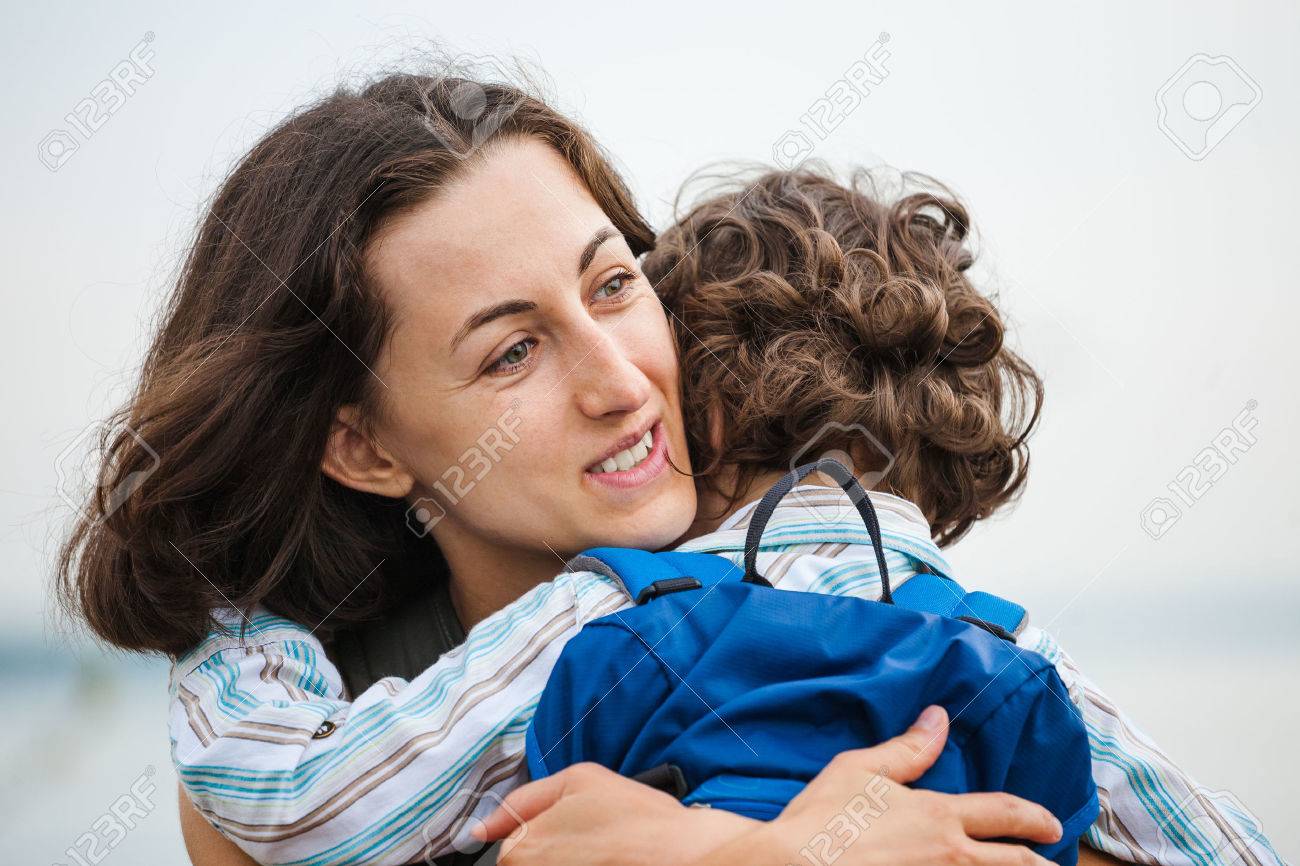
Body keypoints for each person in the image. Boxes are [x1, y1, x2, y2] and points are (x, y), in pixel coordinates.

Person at [57, 67, 1277, 866]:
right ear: (364, 444)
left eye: (611, 284)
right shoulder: (313, 740)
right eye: (512, 350)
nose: (621, 381)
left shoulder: (910, 659)